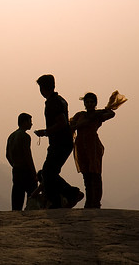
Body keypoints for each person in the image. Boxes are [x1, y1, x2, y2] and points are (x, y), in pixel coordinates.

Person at [34, 75, 83, 209]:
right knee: (49, 172)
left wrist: (45, 132)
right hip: (64, 141)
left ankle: (66, 196)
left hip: (60, 142)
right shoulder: (61, 100)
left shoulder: (53, 102)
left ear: (42, 88)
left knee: (47, 173)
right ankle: (64, 197)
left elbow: (61, 123)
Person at [70, 92, 116, 208]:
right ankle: (89, 201)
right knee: (86, 175)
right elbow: (70, 126)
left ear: (95, 103)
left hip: (93, 147)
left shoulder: (97, 115)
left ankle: (95, 202)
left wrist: (101, 111)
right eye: (87, 102)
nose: (89, 104)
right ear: (84, 103)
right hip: (81, 147)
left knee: (95, 174)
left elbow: (111, 114)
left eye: (92, 102)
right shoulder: (80, 115)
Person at [6, 113, 38, 210]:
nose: (31, 124)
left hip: (16, 169)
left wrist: (14, 165)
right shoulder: (25, 136)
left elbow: (7, 155)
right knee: (32, 193)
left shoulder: (11, 136)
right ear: (24, 122)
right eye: (30, 122)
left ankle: (16, 212)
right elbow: (27, 155)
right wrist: (33, 171)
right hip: (25, 170)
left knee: (17, 194)